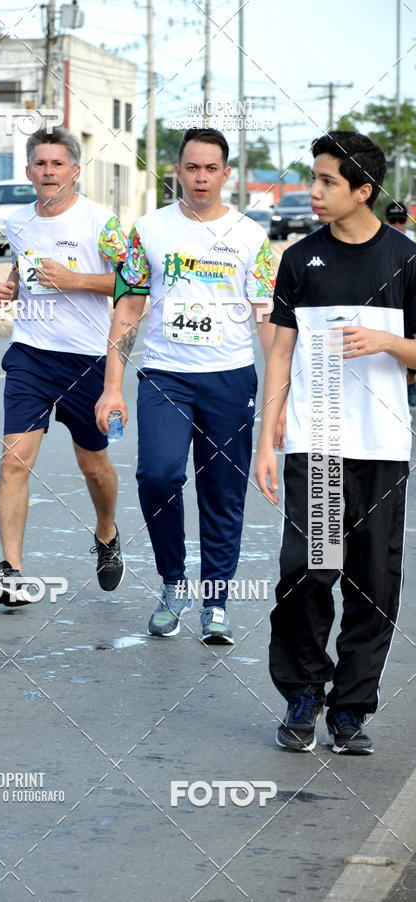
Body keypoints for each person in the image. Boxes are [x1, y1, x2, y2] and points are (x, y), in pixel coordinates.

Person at [255, 130, 416, 755]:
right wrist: (268, 439)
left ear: (363, 191)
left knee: (373, 583)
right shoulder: (299, 261)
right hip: (314, 445)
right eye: (314, 179)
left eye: (327, 182)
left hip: (381, 447)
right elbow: (280, 354)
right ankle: (302, 693)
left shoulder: (405, 259)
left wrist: (389, 344)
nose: (314, 192)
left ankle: (350, 711)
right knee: (308, 572)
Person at [96, 127, 279, 644]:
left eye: (210, 168)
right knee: (157, 476)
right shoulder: (149, 230)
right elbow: (128, 307)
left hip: (229, 378)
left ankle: (216, 600)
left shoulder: (249, 236)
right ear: (177, 170)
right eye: (191, 167)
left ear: (226, 173)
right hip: (165, 376)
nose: (201, 177)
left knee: (222, 491)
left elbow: (266, 321)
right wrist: (113, 388)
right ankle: (173, 583)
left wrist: (279, 397)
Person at [0, 126, 127, 606]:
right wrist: (6, 288)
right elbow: (22, 271)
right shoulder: (17, 221)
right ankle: (12, 570)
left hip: (86, 359)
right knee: (13, 463)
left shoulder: (101, 222)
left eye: (57, 164)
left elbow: (133, 287)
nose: (49, 172)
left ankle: (106, 531)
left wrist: (76, 279)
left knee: (93, 465)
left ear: (75, 170)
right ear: (29, 172)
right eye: (40, 164)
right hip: (29, 353)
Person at [384, 201, 416, 406]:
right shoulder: (380, 240)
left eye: (401, 220)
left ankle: (411, 384)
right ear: (386, 220)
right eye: (393, 220)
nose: (397, 224)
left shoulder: (412, 241)